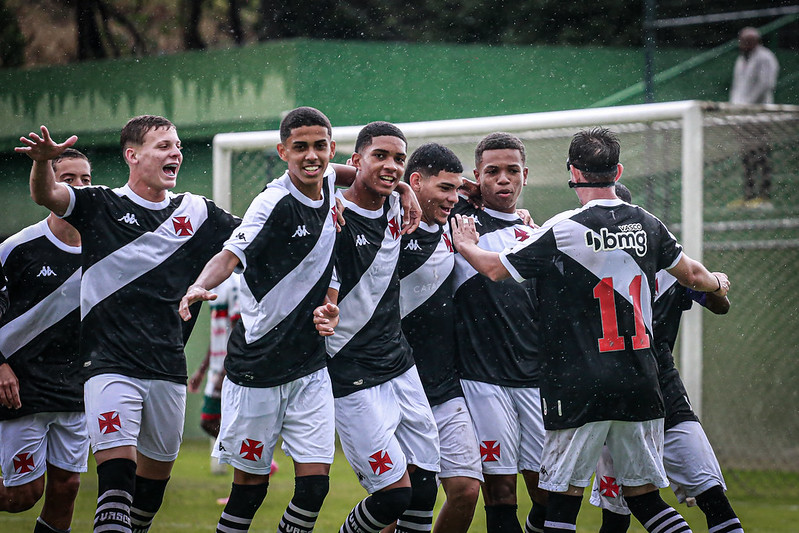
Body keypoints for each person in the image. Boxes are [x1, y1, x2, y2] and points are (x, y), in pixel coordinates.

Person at [450, 127, 731, 533]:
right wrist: (719, 284)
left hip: (581, 384)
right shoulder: (648, 224)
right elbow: (694, 274)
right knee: (645, 499)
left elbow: (495, 269)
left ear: (572, 172)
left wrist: (466, 246)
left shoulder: (564, 228)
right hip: (641, 380)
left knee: (562, 505)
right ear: (617, 170)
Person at [17, 116, 242, 533]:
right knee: (116, 482)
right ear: (132, 155)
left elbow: (253, 238)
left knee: (149, 494)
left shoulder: (198, 212)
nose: (175, 152)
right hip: (109, 367)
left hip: (167, 368)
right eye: (163, 146)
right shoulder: (99, 203)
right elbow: (46, 193)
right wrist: (42, 163)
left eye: (177, 145)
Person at [590, 185, 744, 533]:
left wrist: (710, 286)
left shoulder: (669, 268)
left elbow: (719, 305)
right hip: (615, 397)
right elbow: (719, 301)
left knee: (711, 496)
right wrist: (715, 284)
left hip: (661, 392)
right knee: (619, 512)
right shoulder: (589, 268)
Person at [323, 121, 440, 533]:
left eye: (398, 159)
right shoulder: (328, 208)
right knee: (393, 496)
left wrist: (406, 189)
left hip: (400, 365)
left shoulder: (396, 205)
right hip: (350, 370)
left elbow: (447, 182)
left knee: (425, 490)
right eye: (379, 156)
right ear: (355, 160)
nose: (390, 166)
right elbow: (303, 172)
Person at [451, 132, 547, 533]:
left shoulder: (540, 234)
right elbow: (419, 183)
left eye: (511, 171)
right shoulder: (458, 227)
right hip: (482, 381)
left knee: (548, 494)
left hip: (536, 382)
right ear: (478, 176)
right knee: (502, 493)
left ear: (525, 175)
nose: (503, 180)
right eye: (492, 172)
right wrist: (462, 190)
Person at [0, 148, 92, 533]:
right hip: (22, 385)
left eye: (86, 179)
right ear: (48, 185)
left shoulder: (106, 248)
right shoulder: (16, 248)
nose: (79, 186)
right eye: (68, 178)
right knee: (21, 496)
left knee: (67, 486)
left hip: (76, 385)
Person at [399, 143, 483, 532]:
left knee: (466, 490)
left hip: (445, 383)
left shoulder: (457, 222)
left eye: (456, 190)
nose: (453, 198)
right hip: (396, 381)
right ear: (415, 182)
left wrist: (469, 187)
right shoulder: (389, 219)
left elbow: (469, 194)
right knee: (403, 499)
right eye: (444, 189)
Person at [188, 273, 241, 474]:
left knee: (210, 420)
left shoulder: (234, 282)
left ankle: (252, 459)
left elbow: (237, 328)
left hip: (230, 368)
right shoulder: (215, 285)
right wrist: (202, 370)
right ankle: (250, 457)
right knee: (213, 420)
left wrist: (226, 369)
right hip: (218, 367)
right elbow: (219, 332)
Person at [728, 26, 780, 209]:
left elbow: (766, 84)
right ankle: (749, 196)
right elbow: (737, 87)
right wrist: (735, 109)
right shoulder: (741, 60)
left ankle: (764, 196)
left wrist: (747, 106)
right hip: (743, 116)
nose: (743, 44)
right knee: (747, 157)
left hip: (759, 115)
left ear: (756, 41)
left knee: (761, 154)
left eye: (747, 41)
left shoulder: (765, 57)